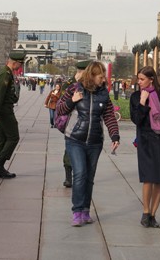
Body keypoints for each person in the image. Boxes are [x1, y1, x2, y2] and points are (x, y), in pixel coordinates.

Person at [55, 61, 120, 227]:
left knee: (89, 178)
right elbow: (60, 109)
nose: (103, 79)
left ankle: (85, 209)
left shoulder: (103, 93)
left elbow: (109, 116)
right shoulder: (74, 89)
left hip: (95, 142)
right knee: (80, 174)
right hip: (75, 139)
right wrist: (72, 101)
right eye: (100, 76)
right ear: (92, 76)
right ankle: (77, 211)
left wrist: (115, 136)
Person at [129, 66, 160, 228]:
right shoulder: (136, 97)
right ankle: (145, 212)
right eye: (138, 79)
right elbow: (137, 119)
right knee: (149, 178)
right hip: (146, 141)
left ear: (151, 79)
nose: (139, 82)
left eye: (142, 79)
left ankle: (153, 214)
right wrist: (143, 102)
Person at [0, 50, 26, 179]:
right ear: (15, 63)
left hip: (2, 109)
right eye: (20, 64)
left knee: (1, 138)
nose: (20, 67)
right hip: (4, 111)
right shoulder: (5, 74)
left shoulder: (6, 73)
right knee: (13, 137)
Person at [58, 60, 91, 188]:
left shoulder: (92, 84)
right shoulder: (70, 84)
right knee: (70, 149)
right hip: (73, 122)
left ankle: (81, 175)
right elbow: (63, 102)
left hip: (87, 122)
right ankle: (68, 176)